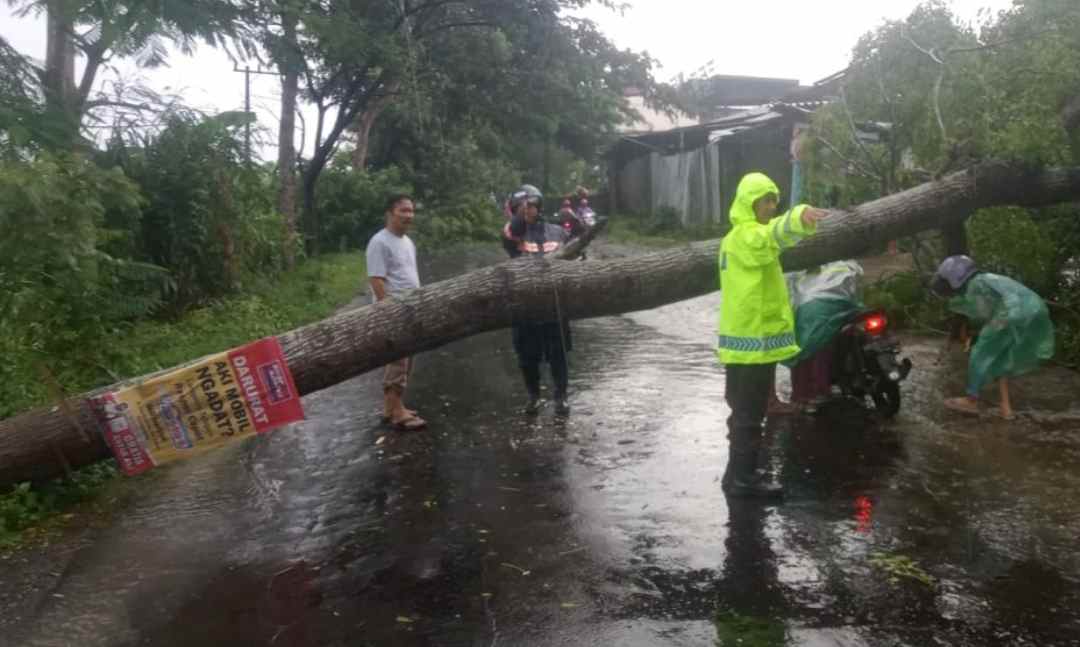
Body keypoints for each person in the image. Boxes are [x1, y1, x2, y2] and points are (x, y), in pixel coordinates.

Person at [718, 172, 828, 498]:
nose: (770, 207)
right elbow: (774, 236)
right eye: (766, 201)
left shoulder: (733, 238)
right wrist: (798, 216)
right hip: (753, 341)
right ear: (750, 202)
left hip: (743, 340)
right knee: (750, 413)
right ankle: (744, 479)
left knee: (742, 410)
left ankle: (735, 472)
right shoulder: (747, 236)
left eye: (774, 202)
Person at [931, 255, 1054, 420]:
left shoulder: (976, 284)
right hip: (1034, 308)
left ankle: (971, 400)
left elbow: (989, 311)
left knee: (979, 353)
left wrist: (1000, 322)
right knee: (1001, 359)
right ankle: (1006, 408)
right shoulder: (986, 278)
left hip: (1011, 312)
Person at [502, 184, 573, 416]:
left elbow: (577, 248)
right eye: (524, 206)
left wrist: (576, 221)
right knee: (527, 357)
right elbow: (512, 234)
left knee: (558, 355)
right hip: (524, 306)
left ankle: (561, 397)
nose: (529, 210)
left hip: (554, 304)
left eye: (532, 205)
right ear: (515, 209)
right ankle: (533, 397)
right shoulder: (513, 231)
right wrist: (518, 215)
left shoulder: (556, 230)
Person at [366, 194, 426, 430]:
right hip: (394, 311)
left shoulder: (407, 241)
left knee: (405, 360)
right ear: (390, 213)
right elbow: (376, 279)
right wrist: (389, 310)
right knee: (398, 361)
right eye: (403, 210)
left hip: (410, 309)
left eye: (411, 211)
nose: (409, 215)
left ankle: (391, 407)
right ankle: (397, 413)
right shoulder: (380, 242)